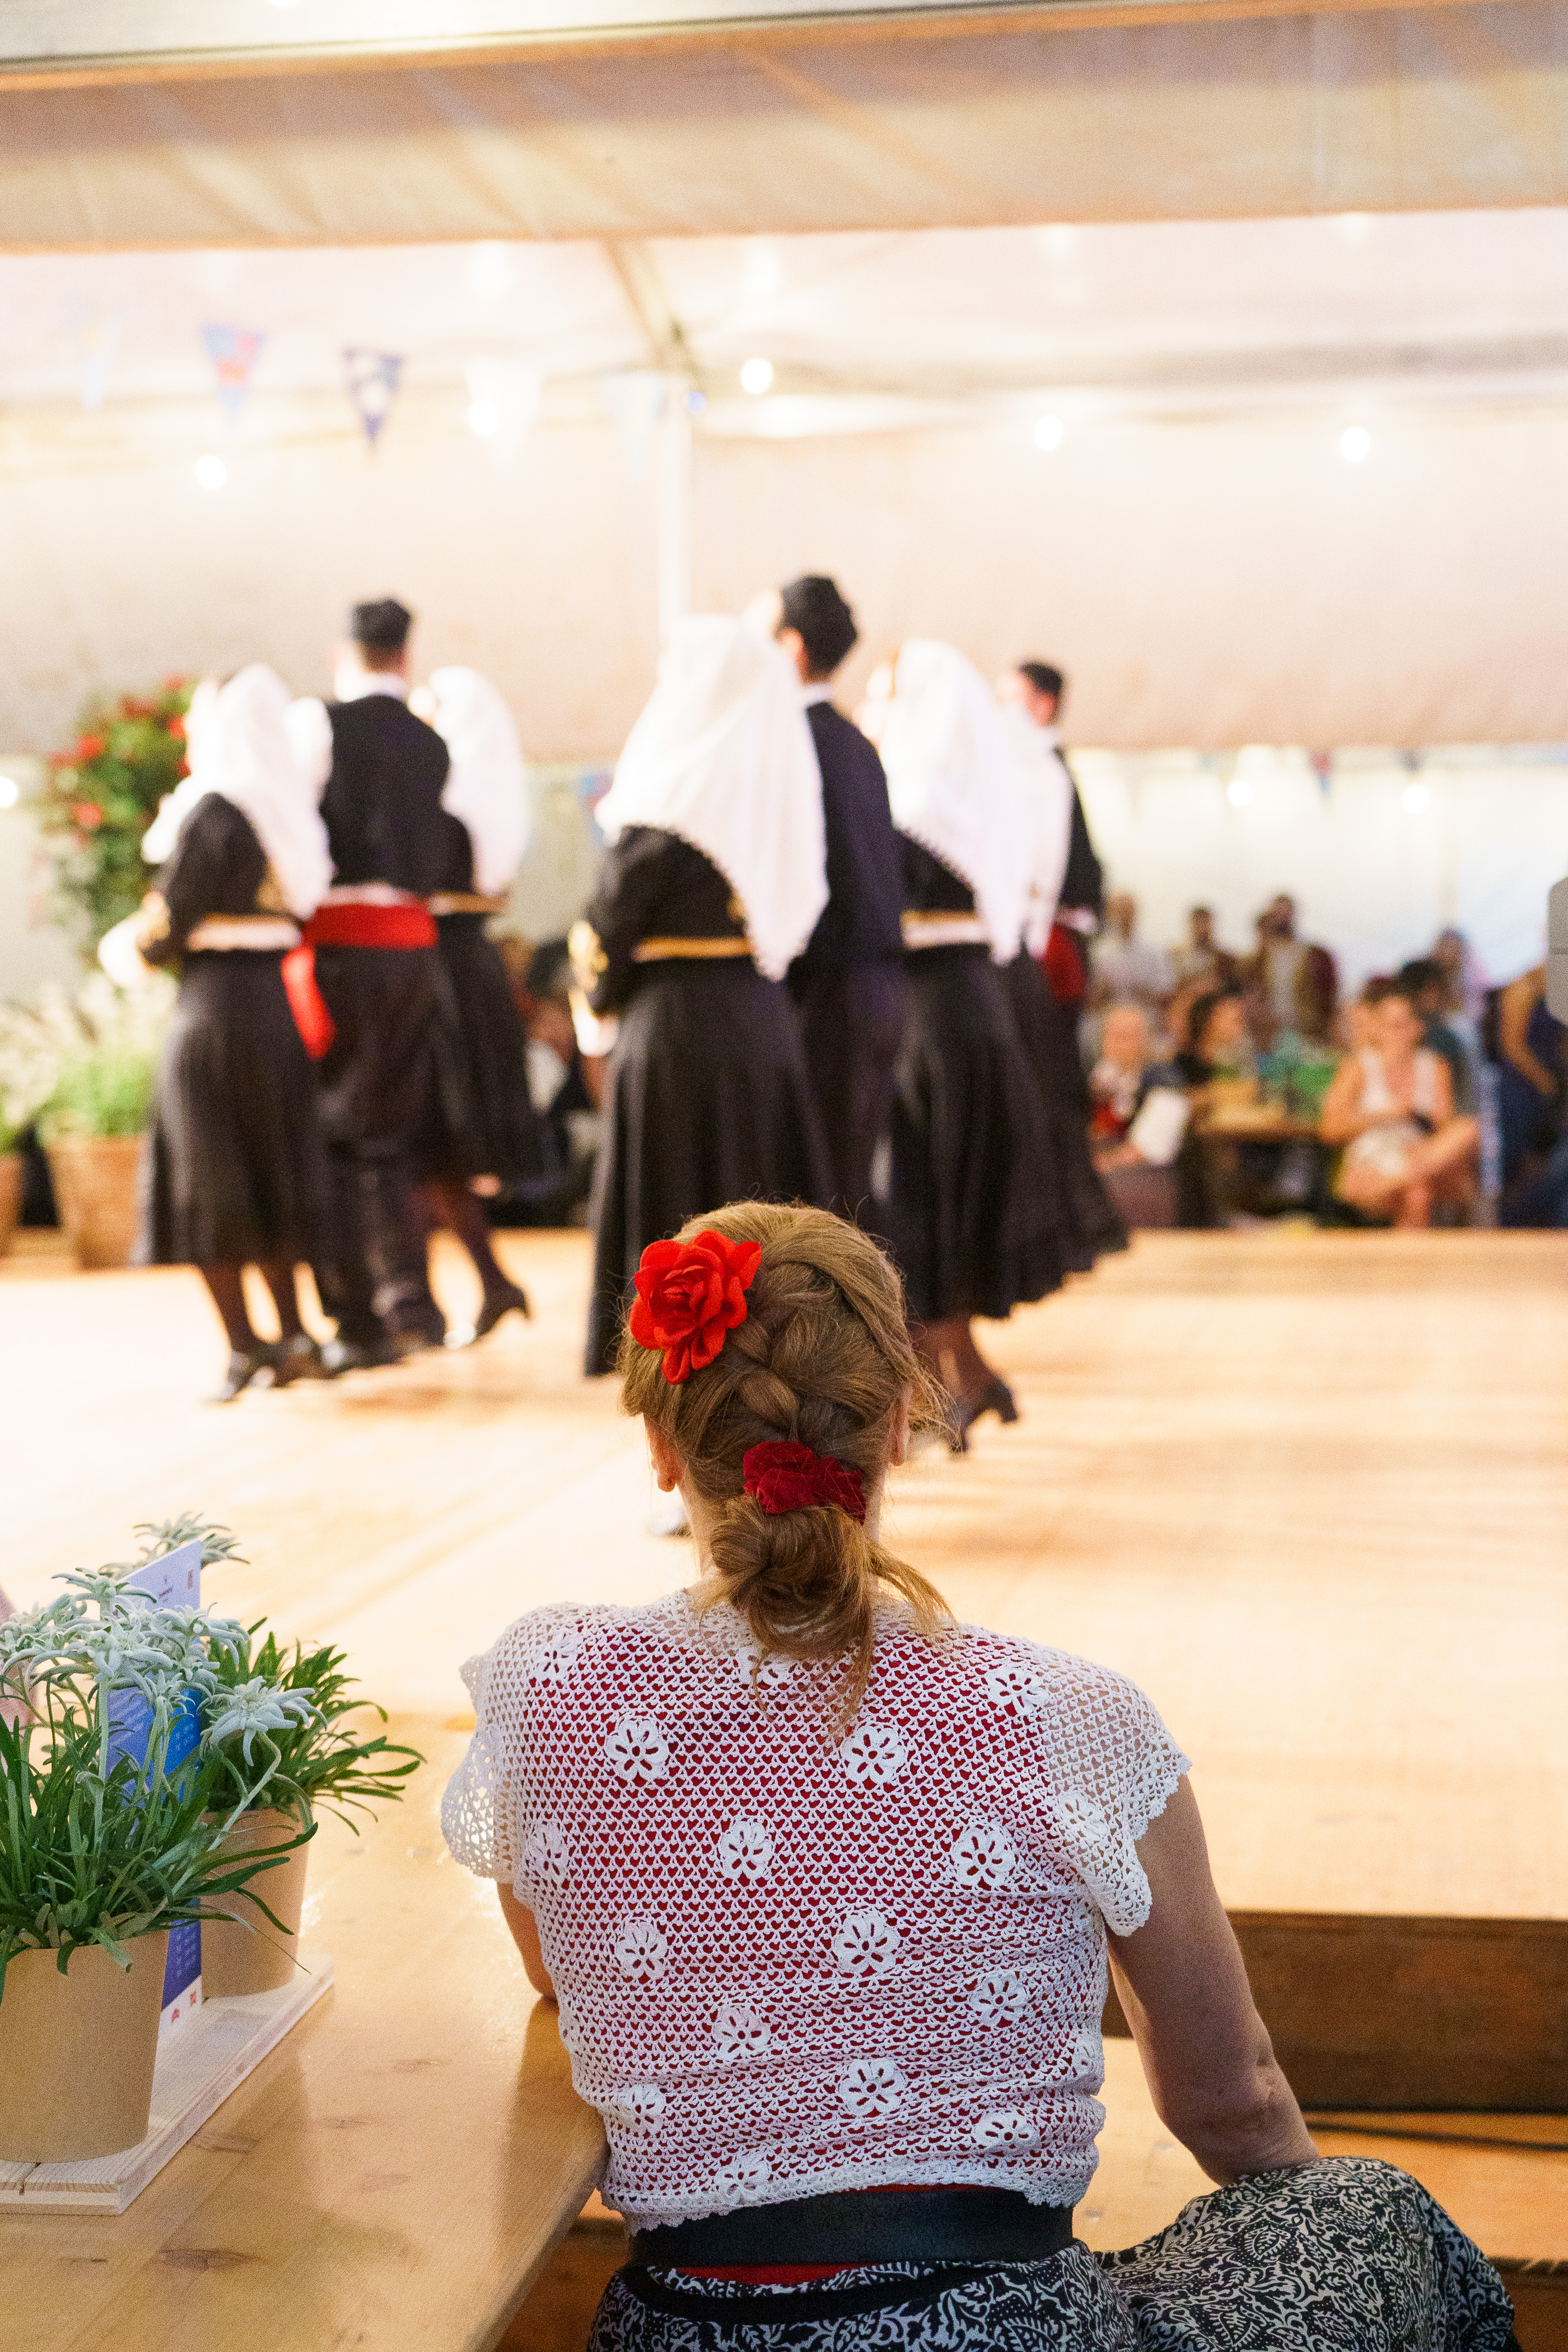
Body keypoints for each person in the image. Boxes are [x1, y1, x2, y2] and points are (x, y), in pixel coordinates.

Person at [442, 1199, 1518, 2352]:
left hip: (687, 2333)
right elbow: (1232, 2107)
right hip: (1001, 2330)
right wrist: (1309, 2221)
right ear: (899, 1428)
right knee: (1373, 2214)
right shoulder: (1073, 1719)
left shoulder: (545, 1691)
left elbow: (554, 1971)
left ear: (662, 1450)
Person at [572, 615, 833, 1379]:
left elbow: (605, 929)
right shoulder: (777, 803)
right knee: (761, 1217)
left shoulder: (666, 798)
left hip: (673, 1029)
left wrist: (597, 1008)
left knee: (677, 1215)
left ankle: (683, 1395)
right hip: (761, 1024)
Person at [114, 665, 335, 1399]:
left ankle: (245, 1347)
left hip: (209, 1012)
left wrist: (128, 949)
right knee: (273, 1169)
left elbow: (163, 930)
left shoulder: (213, 810)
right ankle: (295, 1333)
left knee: (206, 1179)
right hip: (272, 1011)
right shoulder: (289, 815)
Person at [865, 641, 1062, 1439]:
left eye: (882, 695)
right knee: (931, 1196)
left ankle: (945, 1384)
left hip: (927, 1011)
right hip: (963, 1003)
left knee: (917, 1197)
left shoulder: (916, 804)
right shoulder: (965, 798)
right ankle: (963, 1378)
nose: (869, 710)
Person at [287, 598, 472, 1368]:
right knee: (392, 1133)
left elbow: (293, 838)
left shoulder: (317, 725)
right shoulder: (432, 741)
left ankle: (359, 1319)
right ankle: (412, 1306)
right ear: (405, 656)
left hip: (340, 949)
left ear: (343, 653)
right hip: (413, 952)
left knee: (336, 1135)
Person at [772, 576, 907, 1224]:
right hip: (878, 985)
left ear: (792, 647)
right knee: (848, 1173)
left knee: (818, 1183)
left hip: (824, 986)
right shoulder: (856, 742)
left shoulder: (792, 740)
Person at [420, 665, 541, 1343]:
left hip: (440, 964)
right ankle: (486, 1283)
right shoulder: (488, 801)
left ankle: (464, 1288)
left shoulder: (445, 810)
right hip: (468, 962)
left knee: (431, 1133)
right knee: (435, 1142)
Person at [995, 701, 1127, 1270]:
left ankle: (1070, 1225)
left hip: (1042, 954)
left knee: (1047, 1093)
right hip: (1040, 953)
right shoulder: (1045, 771)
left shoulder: (1043, 773)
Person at [1320, 984, 1480, 1226]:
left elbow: (1444, 1128)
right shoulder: (1358, 1067)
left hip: (1419, 1156)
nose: (1398, 1033)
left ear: (1418, 1027)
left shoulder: (1434, 1067)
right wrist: (1387, 1115)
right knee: (1417, 1193)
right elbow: (1329, 1129)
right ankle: (1401, 1182)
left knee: (1466, 1130)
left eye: (1404, 1024)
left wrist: (1421, 1133)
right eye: (1391, 1025)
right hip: (1373, 1158)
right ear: (1376, 1027)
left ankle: (1395, 1181)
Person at [1242, 895, 1337, 1047]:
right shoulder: (1258, 959)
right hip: (1268, 1036)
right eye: (1277, 913)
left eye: (1286, 913)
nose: (1282, 918)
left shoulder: (1316, 956)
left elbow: (1328, 999)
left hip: (1306, 1035)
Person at [1397, 956, 1476, 1114]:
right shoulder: (1443, 1037)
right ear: (1432, 990)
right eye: (1444, 989)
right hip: (1441, 1118)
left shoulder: (1385, 1032)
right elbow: (1461, 1092)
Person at [1088, 894, 1172, 1024]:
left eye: (1126, 910)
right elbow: (1090, 1002)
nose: (1122, 916)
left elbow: (1168, 994)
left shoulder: (1154, 951)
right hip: (1108, 1022)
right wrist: (1101, 990)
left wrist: (1138, 990)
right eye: (1117, 911)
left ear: (1134, 912)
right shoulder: (1099, 951)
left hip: (1145, 1023)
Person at [1169, 906, 1239, 993]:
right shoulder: (1177, 954)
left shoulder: (1224, 955)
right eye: (1199, 923)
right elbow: (1173, 985)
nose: (1202, 928)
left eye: (1205, 923)